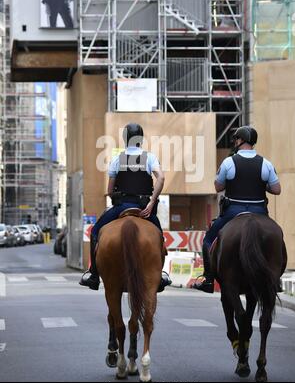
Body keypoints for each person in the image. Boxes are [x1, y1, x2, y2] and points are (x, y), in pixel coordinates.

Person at [79, 123, 172, 292]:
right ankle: (160, 274)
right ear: (141, 139)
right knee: (158, 236)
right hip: (144, 210)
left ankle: (94, 274)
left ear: (125, 139)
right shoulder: (150, 158)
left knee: (94, 232)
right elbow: (161, 178)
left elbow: (109, 190)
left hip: (121, 207)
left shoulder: (117, 159)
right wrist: (152, 201)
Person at [193, 125, 281, 293]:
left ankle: (208, 279)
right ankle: (275, 279)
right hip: (259, 211)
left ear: (240, 141)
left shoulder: (229, 162)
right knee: (278, 236)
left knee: (209, 240)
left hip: (233, 211)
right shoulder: (266, 163)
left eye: (236, 139)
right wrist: (262, 185)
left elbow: (218, 187)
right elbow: (277, 189)